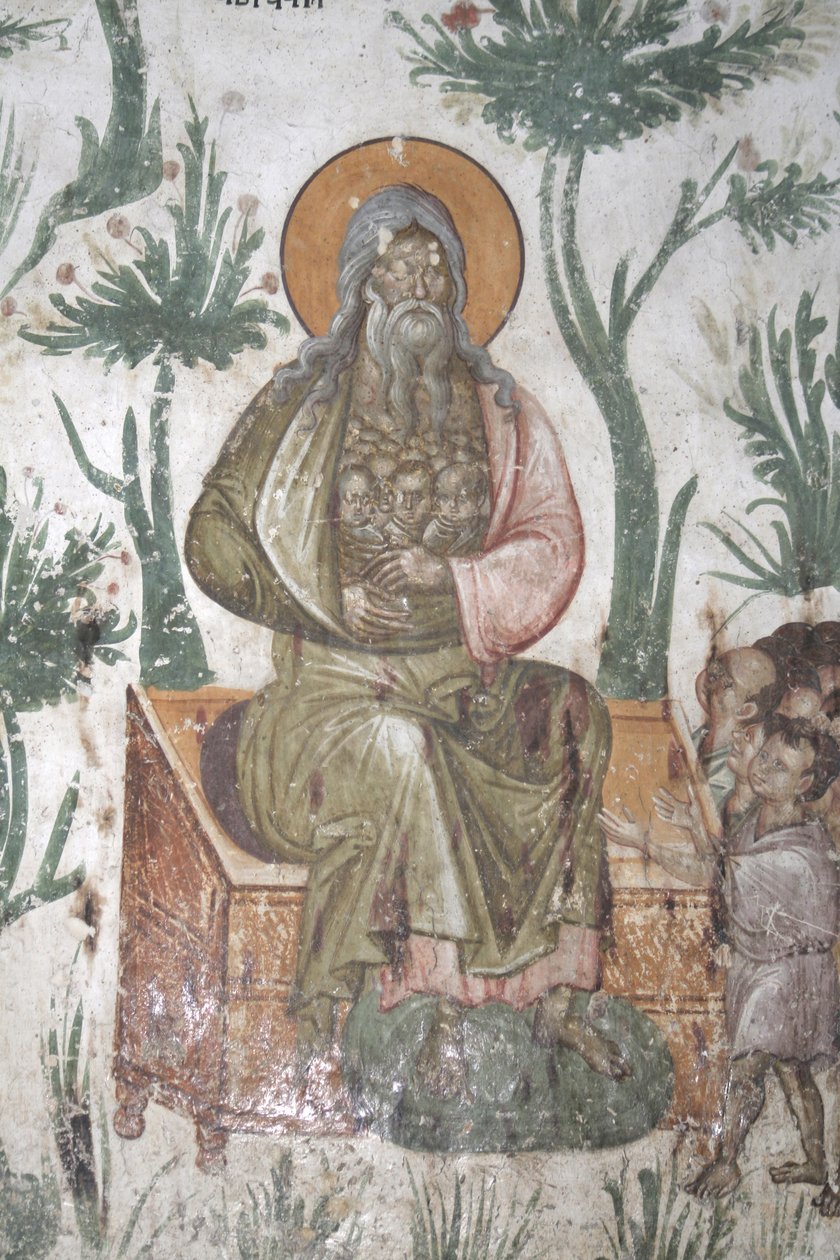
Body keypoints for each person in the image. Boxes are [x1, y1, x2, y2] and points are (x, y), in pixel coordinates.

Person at [186, 184, 619, 1089]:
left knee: (573, 713)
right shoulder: (302, 403)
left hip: (464, 683)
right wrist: (326, 602)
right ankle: (409, 1007)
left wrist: (453, 580)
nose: (420, 284)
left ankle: (558, 998)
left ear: (458, 287)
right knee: (401, 749)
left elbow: (552, 545)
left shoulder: (498, 408)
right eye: (399, 266)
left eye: (436, 268)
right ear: (360, 283)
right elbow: (212, 540)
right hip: (330, 697)